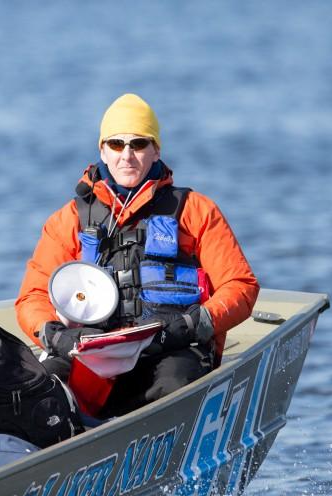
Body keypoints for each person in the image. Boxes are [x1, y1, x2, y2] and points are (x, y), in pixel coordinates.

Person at [15, 93, 259, 415]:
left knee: (177, 384)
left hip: (171, 350)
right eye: (116, 144)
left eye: (139, 144)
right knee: (41, 389)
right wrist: (56, 336)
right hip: (93, 355)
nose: (126, 156)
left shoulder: (196, 211)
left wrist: (188, 326)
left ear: (156, 149)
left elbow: (240, 285)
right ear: (102, 149)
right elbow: (32, 297)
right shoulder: (68, 220)